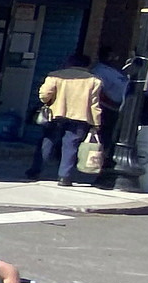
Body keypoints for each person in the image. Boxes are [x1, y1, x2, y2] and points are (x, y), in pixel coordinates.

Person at [26, 51, 105, 187]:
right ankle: (64, 176)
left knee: (47, 141)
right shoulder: (94, 81)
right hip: (80, 118)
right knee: (71, 146)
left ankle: (36, 170)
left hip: (55, 115)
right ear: (87, 65)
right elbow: (94, 104)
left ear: (69, 62)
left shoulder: (55, 75)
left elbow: (44, 95)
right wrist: (96, 123)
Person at [92, 45, 128, 186]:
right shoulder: (100, 71)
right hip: (107, 110)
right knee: (104, 141)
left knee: (110, 140)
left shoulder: (114, 71)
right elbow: (98, 92)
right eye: (113, 55)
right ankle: (99, 171)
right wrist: (113, 105)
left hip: (117, 110)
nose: (116, 58)